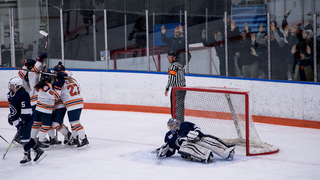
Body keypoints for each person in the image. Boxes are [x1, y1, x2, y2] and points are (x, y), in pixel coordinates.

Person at [155, 118, 235, 163]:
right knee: (185, 144)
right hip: (185, 150)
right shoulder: (168, 136)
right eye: (170, 126)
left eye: (172, 125)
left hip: (195, 139)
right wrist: (165, 153)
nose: (171, 127)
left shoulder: (184, 125)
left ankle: (226, 150)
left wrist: (197, 133)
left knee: (205, 139)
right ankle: (205, 155)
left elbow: (195, 127)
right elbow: (171, 150)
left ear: (176, 124)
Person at [7, 77, 46, 165]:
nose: (10, 87)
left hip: (26, 119)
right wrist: (11, 117)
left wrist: (22, 119)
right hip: (18, 119)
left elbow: (27, 109)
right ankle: (38, 150)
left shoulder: (23, 94)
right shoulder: (11, 94)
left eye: (12, 85)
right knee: (25, 137)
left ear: (17, 86)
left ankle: (27, 156)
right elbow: (13, 108)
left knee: (24, 138)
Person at [54, 70, 89, 148]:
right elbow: (79, 88)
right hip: (79, 101)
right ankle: (75, 138)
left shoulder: (61, 82)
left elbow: (56, 95)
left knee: (75, 122)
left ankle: (84, 139)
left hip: (71, 103)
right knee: (74, 123)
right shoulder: (73, 80)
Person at [165, 51, 186, 122]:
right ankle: (181, 122)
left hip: (176, 90)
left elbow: (171, 78)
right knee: (180, 107)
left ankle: (175, 123)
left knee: (174, 108)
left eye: (170, 57)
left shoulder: (173, 66)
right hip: (183, 88)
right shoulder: (181, 66)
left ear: (174, 58)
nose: (168, 58)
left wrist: (167, 88)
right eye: (168, 57)